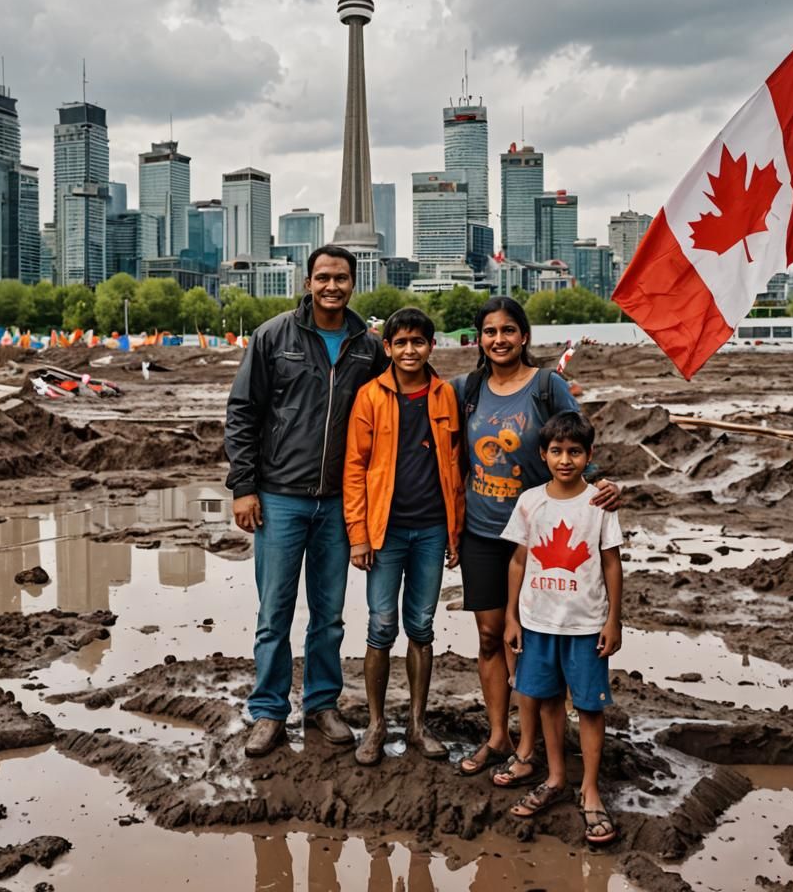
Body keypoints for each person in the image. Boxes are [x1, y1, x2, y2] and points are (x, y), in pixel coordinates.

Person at [225, 245, 388, 757]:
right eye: (323, 278)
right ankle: (269, 711)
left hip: (340, 504)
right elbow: (242, 412)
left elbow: (398, 403)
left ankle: (321, 704)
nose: (332, 287)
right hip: (279, 498)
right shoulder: (273, 336)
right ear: (307, 281)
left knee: (330, 613)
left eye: (341, 278)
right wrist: (243, 486)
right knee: (274, 612)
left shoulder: (368, 346)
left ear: (353, 283)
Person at [452, 296, 620, 777]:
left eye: (508, 330)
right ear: (479, 340)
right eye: (489, 331)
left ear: (524, 336)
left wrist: (605, 482)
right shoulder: (467, 389)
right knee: (490, 636)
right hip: (483, 532)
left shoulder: (548, 386)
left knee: (525, 641)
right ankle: (498, 736)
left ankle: (530, 746)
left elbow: (579, 441)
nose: (499, 339)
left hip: (538, 537)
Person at [344, 307, 465, 766]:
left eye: (419, 342)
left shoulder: (445, 395)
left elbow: (457, 466)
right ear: (388, 348)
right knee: (380, 625)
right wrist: (358, 535)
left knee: (421, 626)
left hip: (433, 529)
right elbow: (354, 468)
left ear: (430, 347)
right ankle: (376, 726)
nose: (410, 350)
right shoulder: (370, 396)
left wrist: (456, 532)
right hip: (384, 532)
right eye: (401, 343)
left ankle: (416, 724)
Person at [499, 411, 623, 844]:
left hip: (586, 625)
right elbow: (518, 560)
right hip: (537, 622)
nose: (565, 460)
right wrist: (512, 616)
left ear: (589, 456)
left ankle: (590, 789)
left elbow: (612, 562)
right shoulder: (531, 501)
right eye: (556, 451)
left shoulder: (599, 503)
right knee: (546, 698)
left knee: (589, 706)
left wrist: (614, 619)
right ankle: (554, 778)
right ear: (543, 454)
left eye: (574, 452)